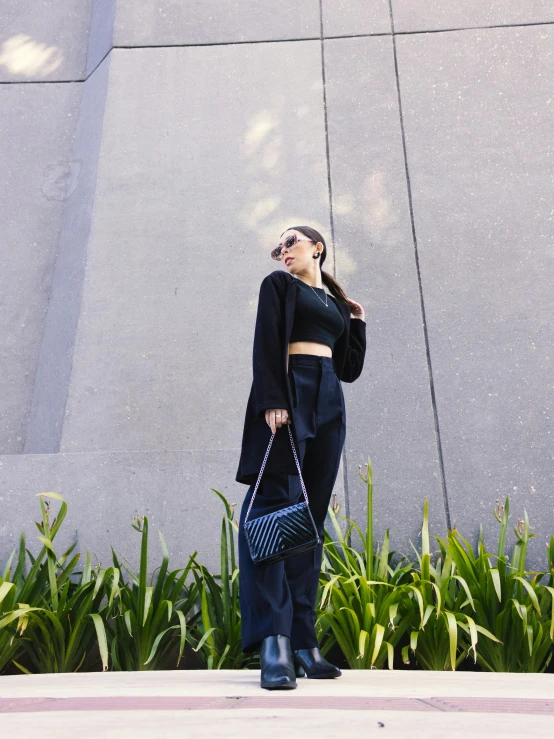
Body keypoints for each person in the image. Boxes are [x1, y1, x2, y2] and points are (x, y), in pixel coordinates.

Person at [236, 225, 366, 690]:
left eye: (292, 241)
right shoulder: (278, 286)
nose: (284, 250)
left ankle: (305, 643)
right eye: (280, 246)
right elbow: (266, 341)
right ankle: (275, 642)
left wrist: (357, 321)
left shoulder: (332, 304)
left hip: (329, 396)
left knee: (308, 523)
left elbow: (348, 369)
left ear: (318, 248)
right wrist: (273, 398)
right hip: (289, 391)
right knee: (275, 510)